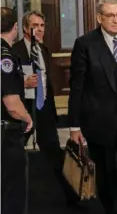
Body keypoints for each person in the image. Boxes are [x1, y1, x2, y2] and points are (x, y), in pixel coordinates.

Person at [68, 0, 117, 214]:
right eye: (110, 16)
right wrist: (74, 126)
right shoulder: (85, 44)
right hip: (99, 121)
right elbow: (77, 87)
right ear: (100, 18)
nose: (116, 20)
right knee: (106, 170)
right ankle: (115, 208)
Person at [12, 10, 79, 206]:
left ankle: (72, 197)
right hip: (22, 112)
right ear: (25, 28)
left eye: (42, 26)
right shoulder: (15, 51)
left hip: (44, 111)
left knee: (55, 155)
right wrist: (22, 83)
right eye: (35, 26)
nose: (39, 30)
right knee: (13, 156)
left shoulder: (43, 50)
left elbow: (45, 81)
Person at [1, 7, 33, 214]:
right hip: (6, 134)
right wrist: (28, 118)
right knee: (12, 191)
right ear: (15, 28)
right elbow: (11, 103)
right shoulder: (6, 57)